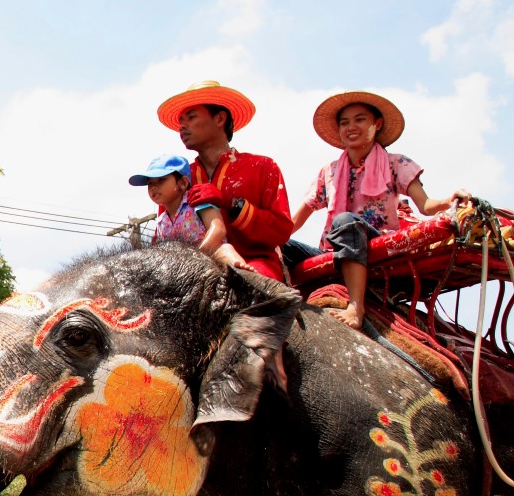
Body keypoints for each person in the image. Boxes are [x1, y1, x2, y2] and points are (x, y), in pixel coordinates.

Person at [287, 91, 461, 330]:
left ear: (376, 125)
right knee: (283, 247)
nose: (351, 127)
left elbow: (425, 205)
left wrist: (449, 200)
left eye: (359, 120)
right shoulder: (329, 171)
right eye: (345, 122)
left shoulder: (396, 163)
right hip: (333, 250)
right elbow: (294, 220)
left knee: (346, 221)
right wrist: (261, 231)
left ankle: (355, 308)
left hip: (377, 245)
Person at [157, 81, 293, 281]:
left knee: (248, 282)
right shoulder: (178, 177)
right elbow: (162, 235)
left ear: (220, 118)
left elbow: (280, 232)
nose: (182, 126)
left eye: (191, 117)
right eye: (180, 121)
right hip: (191, 273)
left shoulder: (263, 167)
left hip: (255, 263)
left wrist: (231, 203)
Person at [129, 154, 246, 266]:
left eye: (161, 180)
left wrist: (198, 255)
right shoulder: (161, 221)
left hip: (212, 257)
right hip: (181, 271)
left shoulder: (197, 201)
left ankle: (246, 276)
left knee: (225, 250)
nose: (154, 187)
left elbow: (218, 230)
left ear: (183, 183)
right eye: (150, 183)